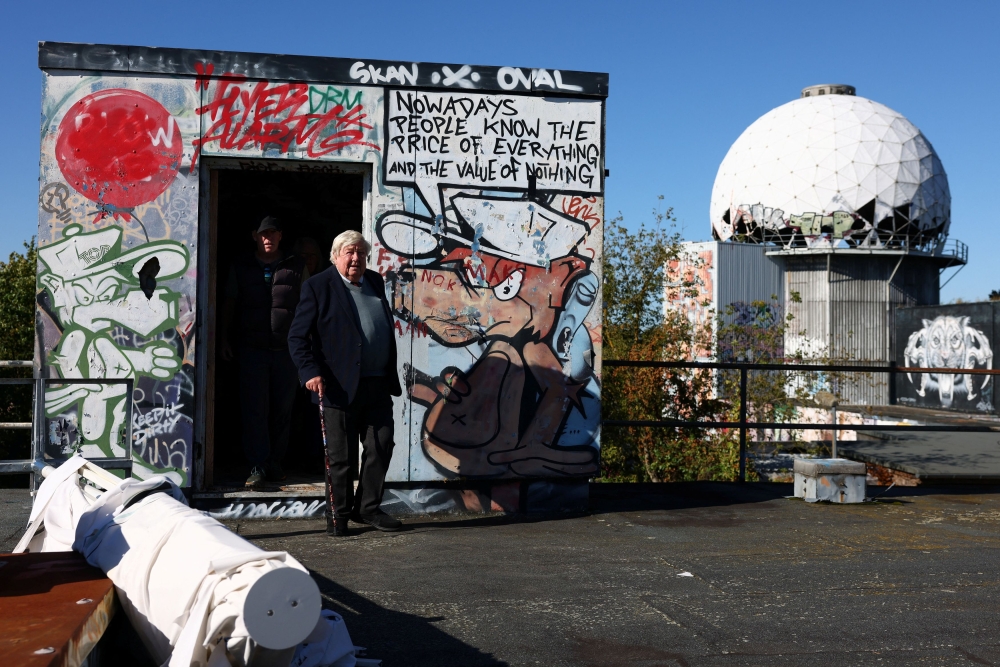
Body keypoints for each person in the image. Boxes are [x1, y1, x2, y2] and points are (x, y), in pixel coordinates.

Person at [288, 230, 402, 536]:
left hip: (377, 383)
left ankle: (368, 509)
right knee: (340, 458)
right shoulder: (318, 286)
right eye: (349, 253)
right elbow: (297, 336)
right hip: (337, 385)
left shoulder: (375, 281)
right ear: (336, 256)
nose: (356, 259)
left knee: (381, 445)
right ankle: (337, 515)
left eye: (361, 254)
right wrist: (309, 371)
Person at [221, 216, 307, 490]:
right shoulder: (241, 265)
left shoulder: (296, 266)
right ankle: (257, 466)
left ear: (281, 236)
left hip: (287, 352)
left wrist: (307, 345)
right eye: (262, 234)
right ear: (254, 237)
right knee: (254, 409)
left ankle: (275, 463)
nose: (268, 238)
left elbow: (308, 307)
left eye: (272, 233)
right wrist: (223, 338)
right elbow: (229, 304)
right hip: (252, 350)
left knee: (283, 410)